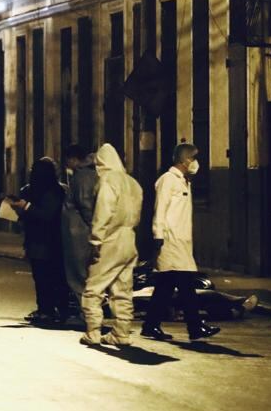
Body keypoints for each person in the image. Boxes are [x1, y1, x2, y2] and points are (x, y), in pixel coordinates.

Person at [142, 143, 220, 342]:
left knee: (165, 286)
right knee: (186, 285)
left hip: (181, 241)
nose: (196, 163)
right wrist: (158, 234)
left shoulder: (185, 181)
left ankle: (150, 325)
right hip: (171, 240)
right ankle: (195, 327)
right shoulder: (168, 181)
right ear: (185, 160)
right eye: (194, 158)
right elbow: (160, 209)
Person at [80, 143, 143, 347]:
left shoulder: (108, 181)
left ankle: (93, 331)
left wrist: (96, 240)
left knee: (94, 287)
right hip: (129, 238)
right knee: (123, 289)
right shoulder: (133, 183)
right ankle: (122, 332)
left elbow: (103, 212)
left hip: (110, 239)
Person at [9, 157, 70, 325]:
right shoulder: (49, 190)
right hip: (48, 239)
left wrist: (26, 207)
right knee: (47, 276)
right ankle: (47, 309)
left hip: (45, 239)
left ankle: (48, 310)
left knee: (44, 277)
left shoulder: (52, 191)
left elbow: (46, 214)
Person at [60, 144, 99, 316]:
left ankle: (87, 315)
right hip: (81, 231)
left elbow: (85, 205)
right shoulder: (89, 174)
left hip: (78, 233)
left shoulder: (81, 176)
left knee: (78, 275)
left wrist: (94, 228)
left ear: (73, 159)